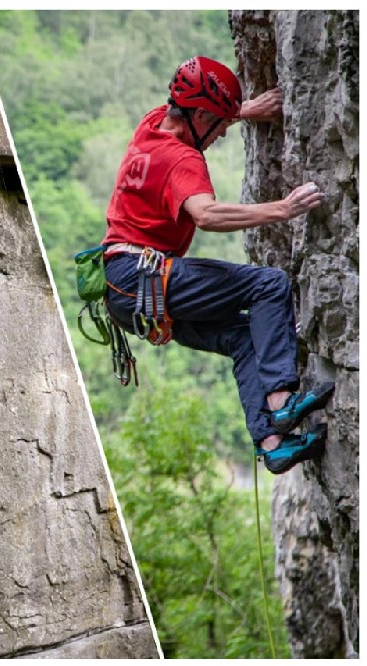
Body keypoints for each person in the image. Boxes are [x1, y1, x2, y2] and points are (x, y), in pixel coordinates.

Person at [102, 56, 333, 474]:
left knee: (244, 338)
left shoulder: (152, 123)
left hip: (125, 295)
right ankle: (282, 404)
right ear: (203, 115)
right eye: (221, 123)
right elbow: (206, 215)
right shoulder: (183, 160)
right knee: (268, 285)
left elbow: (197, 113)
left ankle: (272, 443)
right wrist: (282, 209)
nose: (224, 133)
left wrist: (246, 111)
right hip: (147, 278)